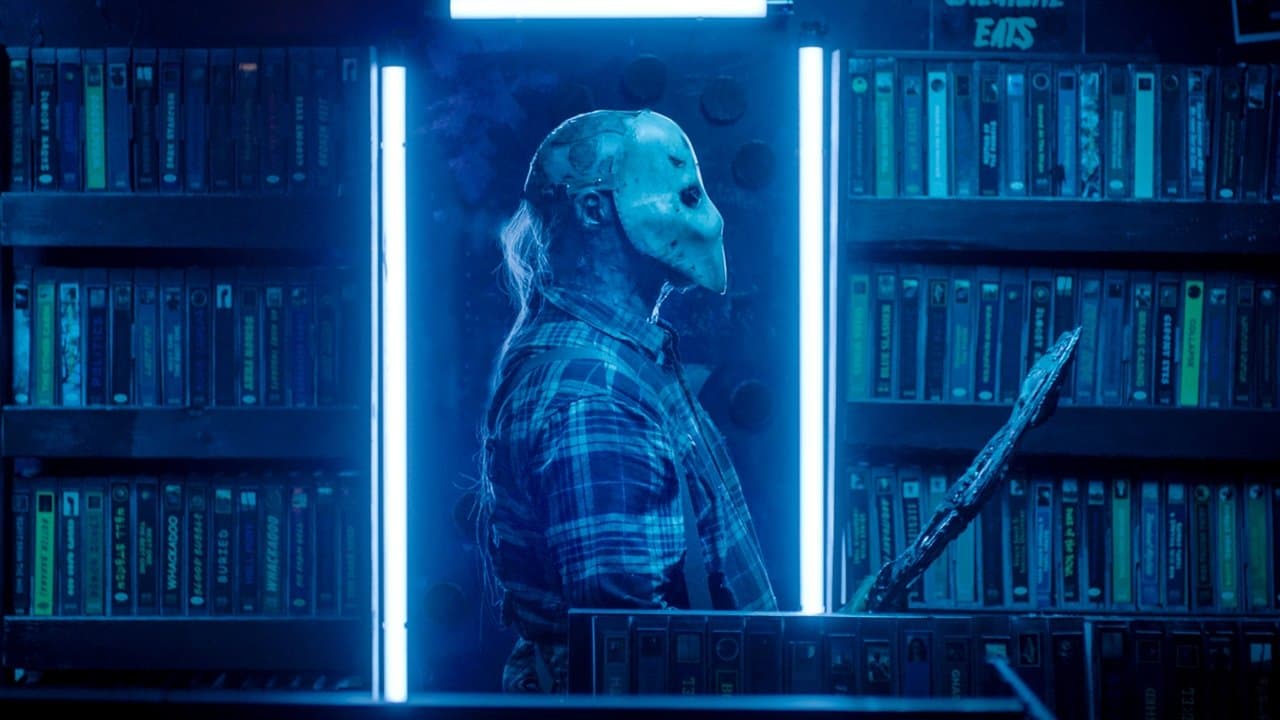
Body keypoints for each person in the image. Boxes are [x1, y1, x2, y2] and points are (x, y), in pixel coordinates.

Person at [475, 109, 778, 693]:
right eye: (681, 192)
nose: (708, 217)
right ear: (594, 210)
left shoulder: (620, 360)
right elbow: (634, 661)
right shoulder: (595, 398)